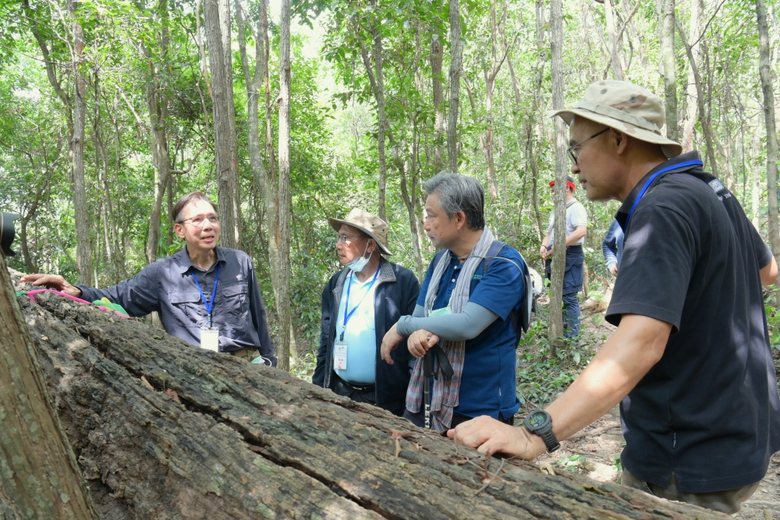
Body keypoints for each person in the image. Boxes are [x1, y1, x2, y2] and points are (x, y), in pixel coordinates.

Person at [449, 80, 780, 514]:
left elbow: (640, 343)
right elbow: (767, 270)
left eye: (577, 149)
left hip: (688, 456)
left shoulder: (662, 208)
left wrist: (533, 435)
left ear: (619, 140)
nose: (575, 167)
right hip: (742, 436)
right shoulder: (708, 188)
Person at [22, 192, 276, 365]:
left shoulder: (240, 262)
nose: (208, 225)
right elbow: (120, 296)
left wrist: (270, 361)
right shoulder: (162, 273)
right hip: (198, 373)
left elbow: (258, 314)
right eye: (197, 220)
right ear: (180, 230)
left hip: (246, 363)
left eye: (212, 218)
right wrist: (75, 290)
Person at [380, 172, 525, 432]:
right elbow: (422, 315)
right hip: (428, 394)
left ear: (459, 219)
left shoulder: (504, 265)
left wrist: (404, 326)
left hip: (480, 408)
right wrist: (417, 330)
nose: (426, 225)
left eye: (431, 215)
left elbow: (467, 325)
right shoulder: (440, 262)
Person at [313, 209, 420, 416]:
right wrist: (318, 388)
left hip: (388, 400)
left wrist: (412, 403)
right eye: (339, 237)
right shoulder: (337, 283)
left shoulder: (402, 282)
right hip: (340, 394)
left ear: (371, 245)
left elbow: (413, 347)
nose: (338, 244)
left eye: (345, 237)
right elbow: (326, 342)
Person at [540, 176, 587, 338]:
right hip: (555, 255)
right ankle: (560, 334)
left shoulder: (576, 207)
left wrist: (558, 246)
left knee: (569, 297)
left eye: (555, 190)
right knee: (557, 296)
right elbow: (549, 232)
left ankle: (572, 339)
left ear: (567, 188)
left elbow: (581, 231)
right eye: (552, 191)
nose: (553, 194)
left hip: (571, 255)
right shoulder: (556, 211)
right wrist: (544, 246)